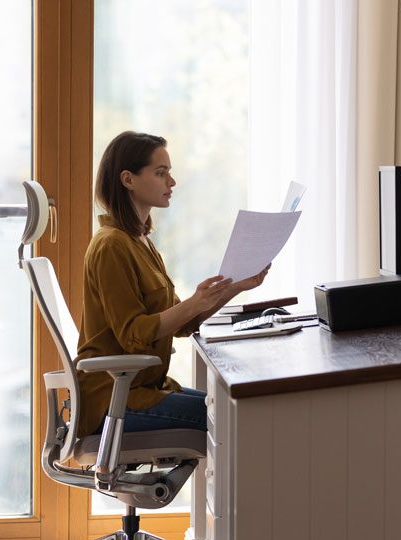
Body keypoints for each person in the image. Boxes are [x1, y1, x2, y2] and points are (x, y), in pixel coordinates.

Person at [75, 131, 270, 438]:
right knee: (235, 419)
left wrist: (236, 287)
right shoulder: (111, 246)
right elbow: (133, 336)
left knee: (236, 406)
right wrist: (195, 301)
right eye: (161, 173)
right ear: (128, 179)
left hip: (144, 390)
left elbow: (182, 323)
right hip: (112, 401)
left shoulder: (141, 242)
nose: (172, 182)